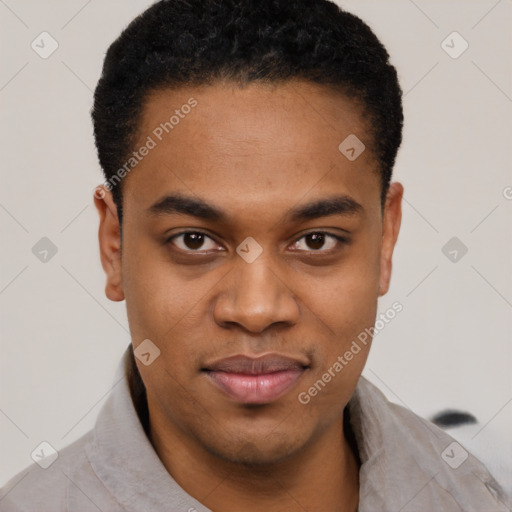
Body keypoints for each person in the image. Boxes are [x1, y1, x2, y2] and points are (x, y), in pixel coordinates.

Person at [1, 0, 510, 510]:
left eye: (316, 240)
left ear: (384, 241)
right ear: (114, 246)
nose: (256, 308)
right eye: (194, 240)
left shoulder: (474, 495)